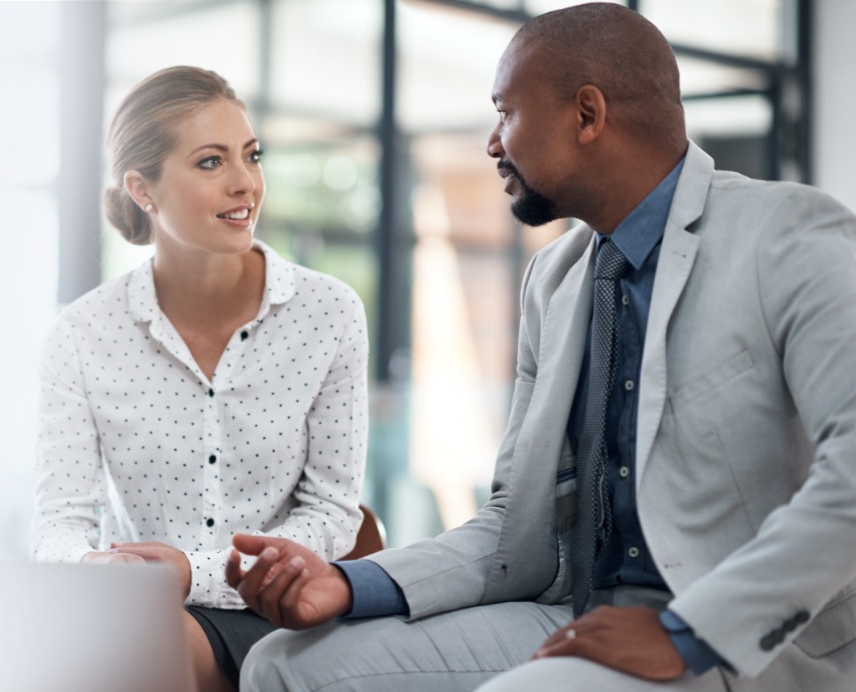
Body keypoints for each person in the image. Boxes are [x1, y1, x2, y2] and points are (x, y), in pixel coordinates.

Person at [226, 5, 856, 691]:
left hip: (742, 643)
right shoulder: (551, 278)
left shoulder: (787, 234)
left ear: (586, 115)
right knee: (284, 665)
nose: (492, 143)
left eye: (505, 113)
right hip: (582, 618)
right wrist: (349, 584)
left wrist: (688, 632)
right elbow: (512, 528)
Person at [32, 65, 369, 692]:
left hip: (291, 613)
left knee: (136, 643)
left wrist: (196, 573)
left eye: (251, 156)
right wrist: (92, 567)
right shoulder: (82, 334)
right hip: (142, 614)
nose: (246, 184)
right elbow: (59, 523)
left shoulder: (328, 313)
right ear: (144, 189)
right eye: (211, 162)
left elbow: (331, 513)